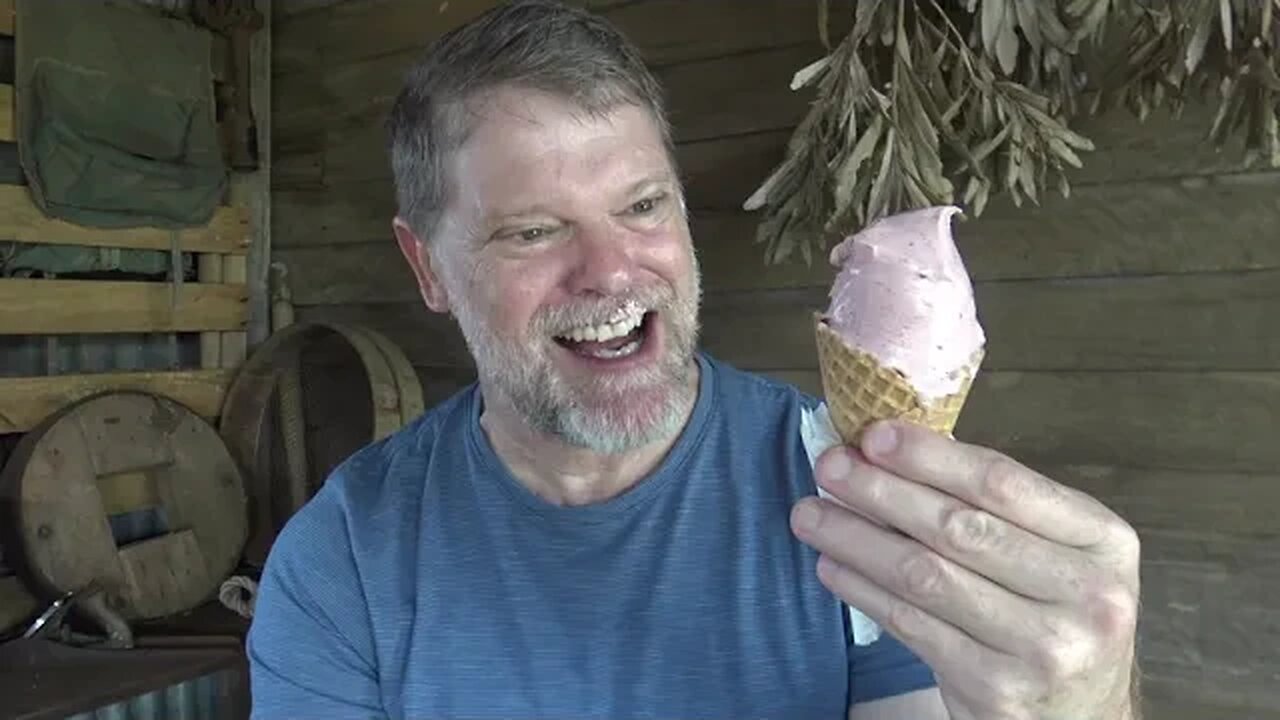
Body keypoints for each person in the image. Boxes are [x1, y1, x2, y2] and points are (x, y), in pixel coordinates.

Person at [246, 1, 1142, 718]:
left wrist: (1088, 708)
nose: (611, 270)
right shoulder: (344, 559)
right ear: (427, 267)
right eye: (533, 231)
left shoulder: (852, 496)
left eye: (641, 207)